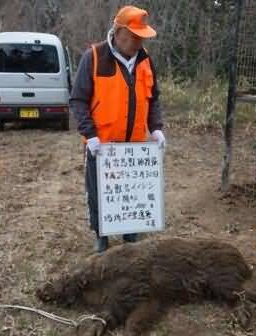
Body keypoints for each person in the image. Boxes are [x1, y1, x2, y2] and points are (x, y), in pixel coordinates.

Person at [70, 5, 166, 253]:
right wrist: (89, 135)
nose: (139, 42)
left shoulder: (145, 61)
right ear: (119, 31)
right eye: (135, 36)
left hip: (133, 148)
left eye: (142, 37)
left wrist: (155, 128)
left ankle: (130, 233)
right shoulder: (93, 57)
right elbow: (78, 100)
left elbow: (152, 98)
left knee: (133, 192)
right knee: (98, 192)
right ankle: (101, 234)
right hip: (102, 146)